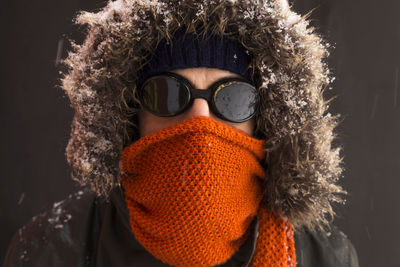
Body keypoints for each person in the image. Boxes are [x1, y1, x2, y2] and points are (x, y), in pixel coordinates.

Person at [4, 0, 359, 266]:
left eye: (233, 99)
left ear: (264, 120)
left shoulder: (325, 256)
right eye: (168, 93)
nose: (199, 120)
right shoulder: (47, 249)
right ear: (129, 117)